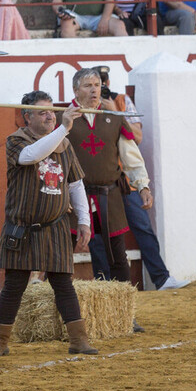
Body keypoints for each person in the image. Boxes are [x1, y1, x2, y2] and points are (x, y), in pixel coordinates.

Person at [0, 90, 97, 358]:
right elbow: (30, 156)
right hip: (23, 225)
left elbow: (75, 184)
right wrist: (63, 128)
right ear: (26, 117)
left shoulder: (63, 142)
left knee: (63, 283)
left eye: (52, 111)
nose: (50, 115)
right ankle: (0, 341)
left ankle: (78, 340)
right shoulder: (16, 140)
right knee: (15, 284)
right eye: (42, 112)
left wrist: (84, 220)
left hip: (55, 224)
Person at [90, 68, 189, 292]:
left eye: (102, 83)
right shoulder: (79, 108)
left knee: (142, 227)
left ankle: (161, 278)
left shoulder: (121, 101)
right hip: (98, 180)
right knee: (99, 235)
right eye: (94, 84)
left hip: (125, 179)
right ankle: (104, 286)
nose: (99, 89)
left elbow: (137, 137)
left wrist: (116, 113)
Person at [67, 68, 152, 287]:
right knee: (62, 255)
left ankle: (124, 316)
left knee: (117, 257)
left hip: (110, 195)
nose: (94, 90)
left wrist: (142, 186)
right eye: (88, 86)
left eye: (96, 85)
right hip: (74, 197)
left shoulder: (115, 119)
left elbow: (130, 155)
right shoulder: (64, 120)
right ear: (76, 91)